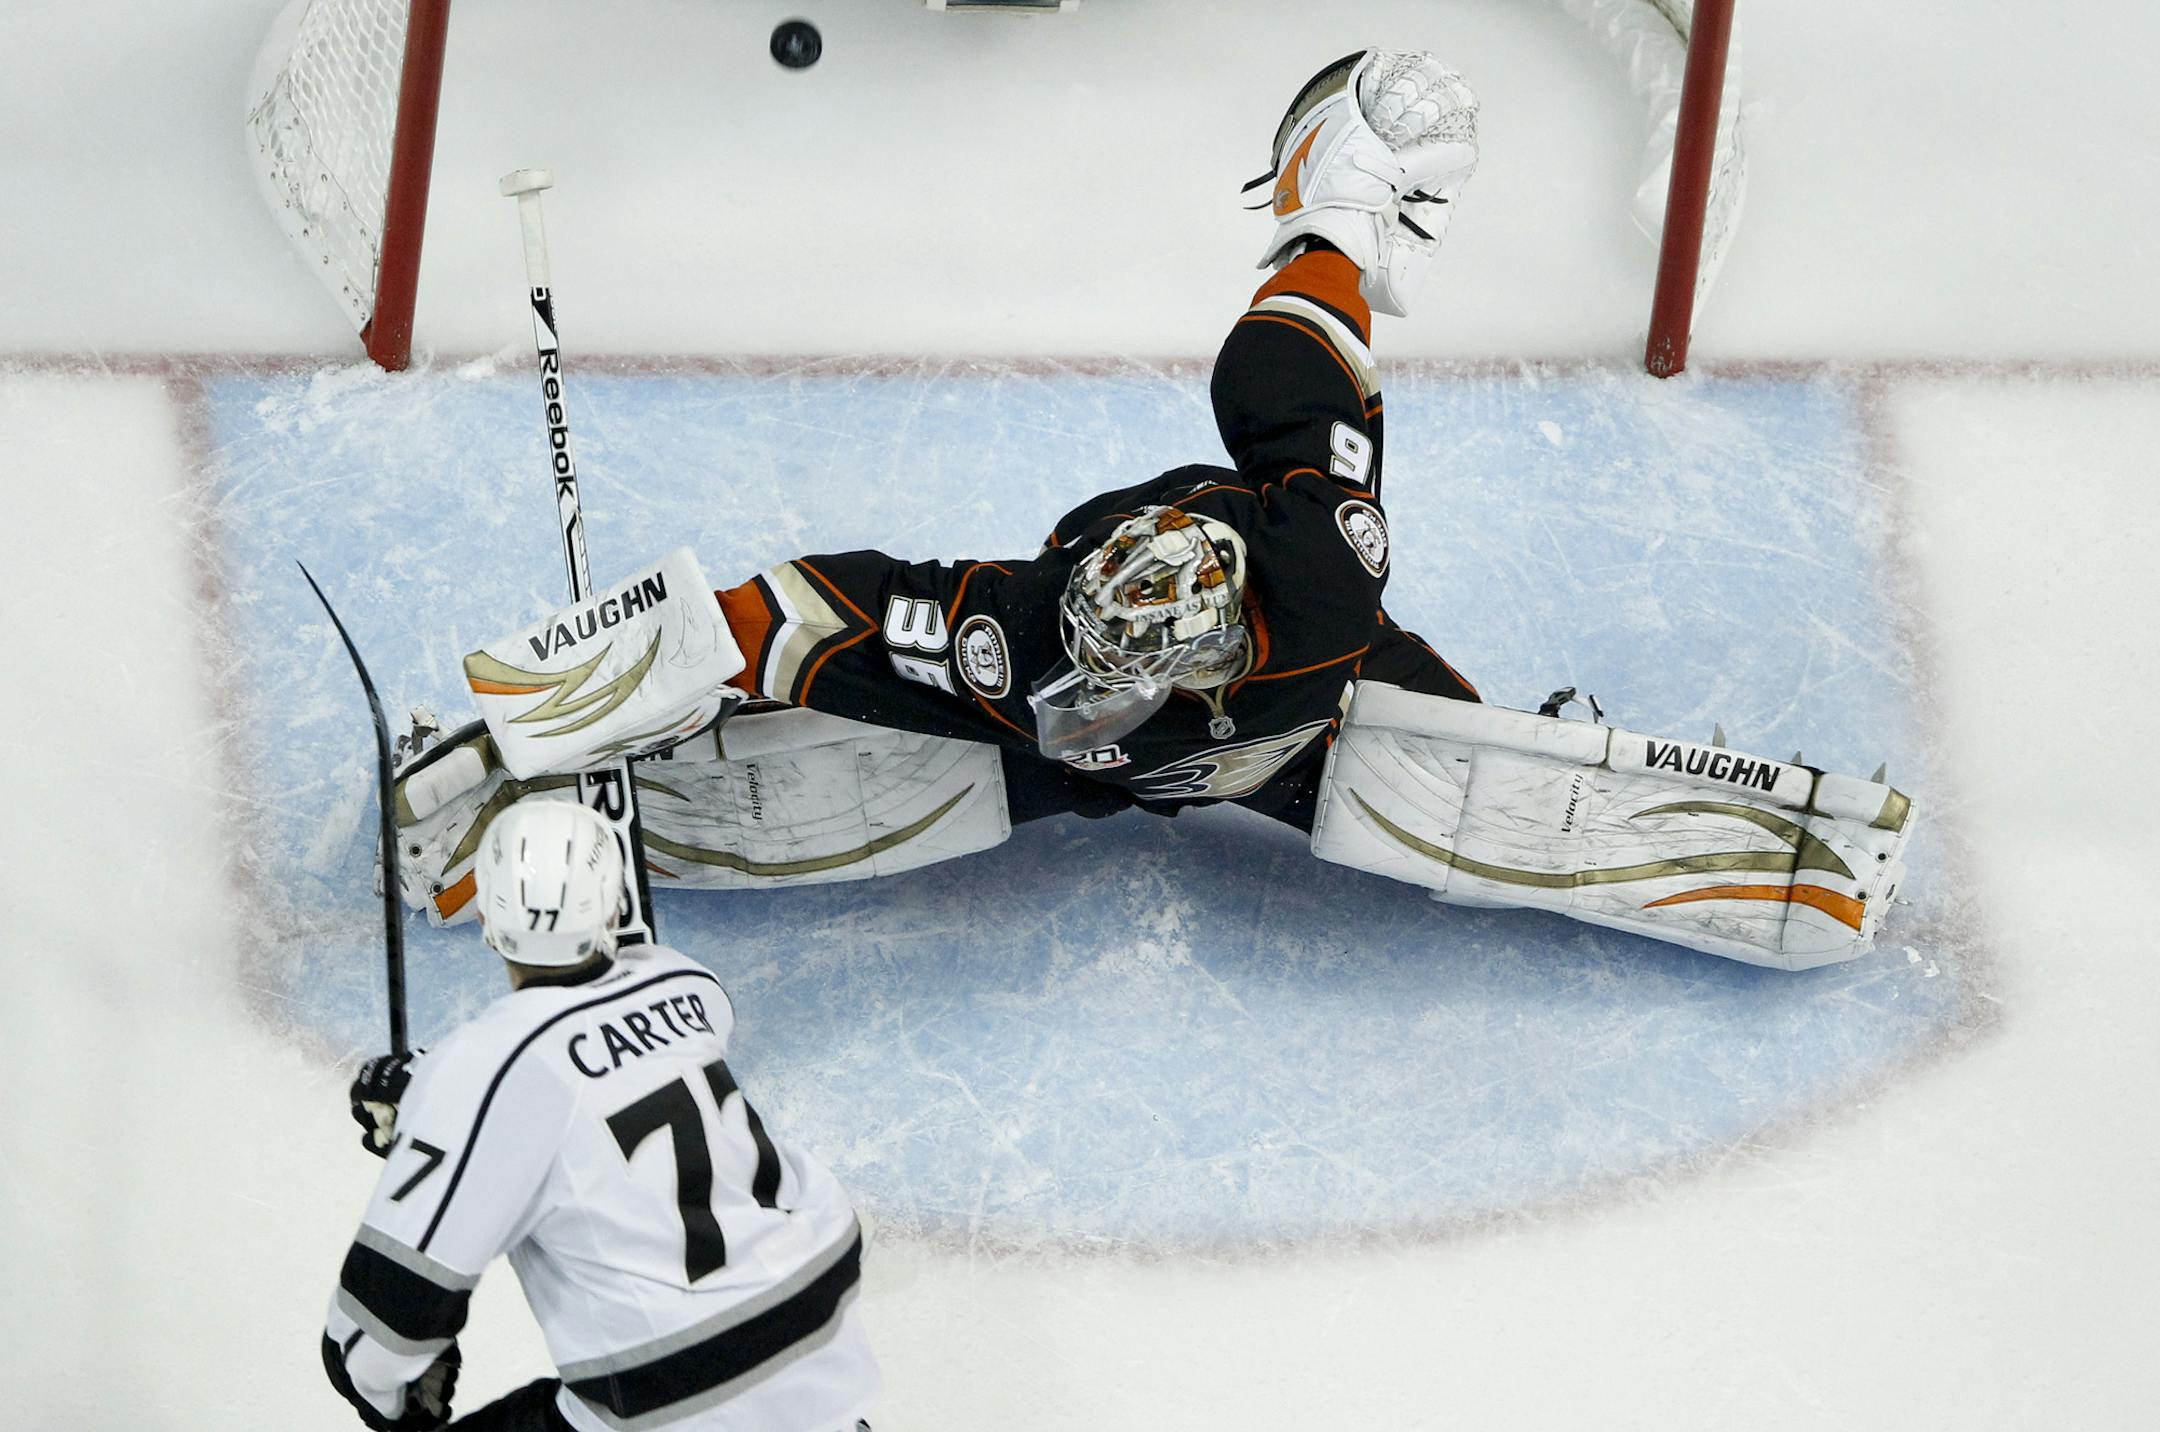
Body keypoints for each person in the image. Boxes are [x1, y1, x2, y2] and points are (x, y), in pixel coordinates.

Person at [707, 48, 1483, 832]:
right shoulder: (1036, 637)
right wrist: (690, 651)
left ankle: (1336, 207)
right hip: (1128, 612)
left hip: (1292, 709)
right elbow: (824, 612)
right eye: (1095, 660)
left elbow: (1285, 373)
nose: (1089, 686)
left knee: (1445, 734)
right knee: (1053, 737)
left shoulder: (1326, 584)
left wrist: (1335, 237)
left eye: (1117, 672)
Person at [322, 801, 879, 1432]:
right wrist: (432, 1091)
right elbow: (601, 1064)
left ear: (484, 915)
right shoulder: (684, 983)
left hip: (679, 1373)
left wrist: (393, 1396)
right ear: (613, 906)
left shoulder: (479, 1071)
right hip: (816, 1302)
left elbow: (376, 1332)